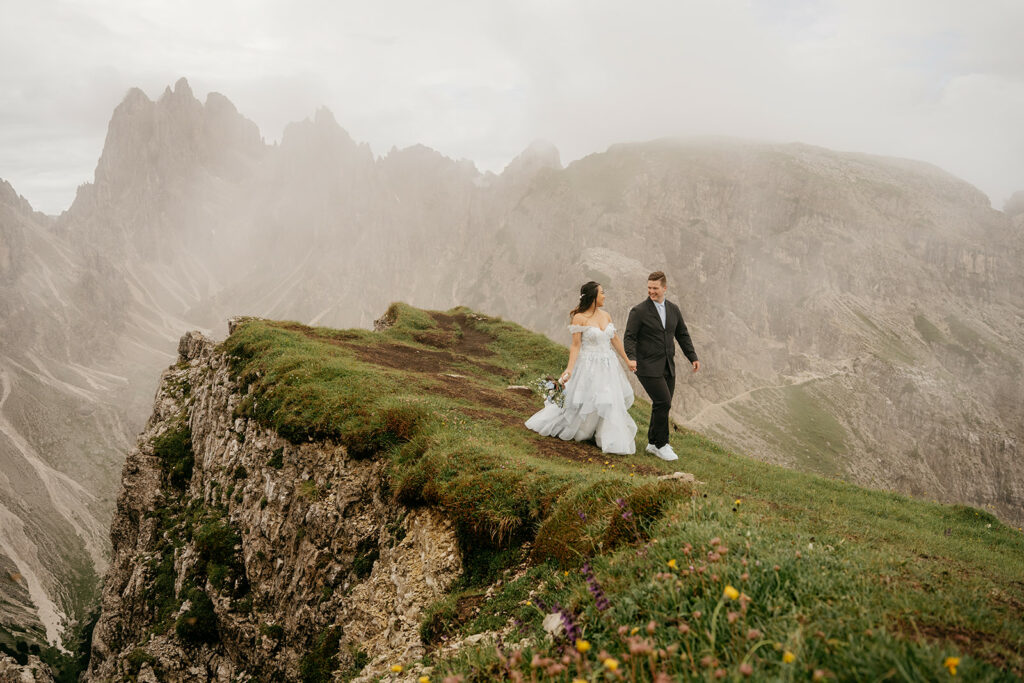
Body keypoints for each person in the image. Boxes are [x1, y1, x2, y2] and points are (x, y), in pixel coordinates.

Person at [525, 281, 638, 455]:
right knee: (588, 399)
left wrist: (628, 360)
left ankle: (605, 436)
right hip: (588, 365)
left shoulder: (606, 315)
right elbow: (576, 345)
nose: (604, 295)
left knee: (608, 400)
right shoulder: (580, 318)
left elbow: (614, 340)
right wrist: (569, 369)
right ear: (593, 297)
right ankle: (584, 430)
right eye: (602, 293)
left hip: (608, 364)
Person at [623, 271, 700, 461]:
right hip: (646, 365)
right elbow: (629, 337)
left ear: (664, 288)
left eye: (655, 288)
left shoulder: (673, 309)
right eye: (649, 288)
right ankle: (662, 444)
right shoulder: (639, 311)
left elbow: (682, 334)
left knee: (661, 405)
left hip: (668, 365)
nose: (651, 291)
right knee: (663, 402)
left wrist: (692, 357)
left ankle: (652, 443)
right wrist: (631, 358)